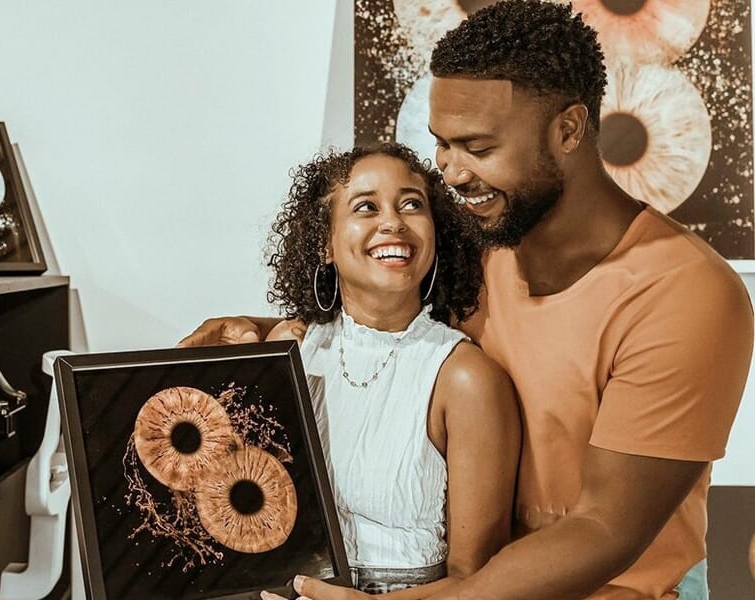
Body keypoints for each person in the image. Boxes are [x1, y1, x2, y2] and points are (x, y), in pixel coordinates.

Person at [181, 2, 754, 598]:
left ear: (569, 129)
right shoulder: (482, 250)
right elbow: (387, 326)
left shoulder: (687, 295)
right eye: (442, 145)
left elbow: (604, 528)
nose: (450, 173)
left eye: (477, 147)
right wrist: (262, 326)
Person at [262, 142, 520, 593]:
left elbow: (476, 583)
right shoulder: (293, 351)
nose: (392, 222)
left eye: (411, 205)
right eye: (366, 206)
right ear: (325, 243)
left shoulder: (463, 379)